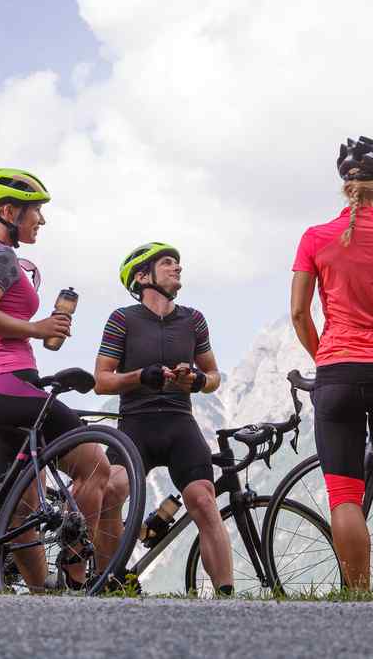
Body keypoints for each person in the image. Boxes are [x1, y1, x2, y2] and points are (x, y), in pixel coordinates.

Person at [0, 167, 110, 590]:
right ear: (8, 211)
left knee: (21, 499)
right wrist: (37, 329)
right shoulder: (1, 256)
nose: (41, 221)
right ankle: (75, 578)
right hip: (10, 381)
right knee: (95, 465)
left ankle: (40, 595)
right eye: (36, 211)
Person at [290, 136, 373, 593]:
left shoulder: (314, 238)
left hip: (337, 373)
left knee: (345, 496)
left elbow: (298, 313)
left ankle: (360, 595)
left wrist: (326, 356)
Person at [93, 243, 234, 596]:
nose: (177, 268)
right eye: (168, 263)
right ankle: (108, 580)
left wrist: (199, 380)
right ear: (143, 277)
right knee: (113, 488)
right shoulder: (122, 319)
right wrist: (141, 376)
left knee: (203, 498)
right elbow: (101, 380)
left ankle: (227, 595)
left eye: (178, 263)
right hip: (135, 426)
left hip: (179, 423)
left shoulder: (193, 320)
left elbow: (214, 373)